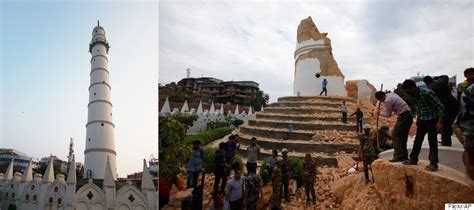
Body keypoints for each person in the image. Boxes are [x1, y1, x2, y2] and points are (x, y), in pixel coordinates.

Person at [402, 79, 444, 172]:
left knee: (432, 140)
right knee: (418, 140)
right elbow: (418, 107)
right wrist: (418, 118)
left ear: (413, 87)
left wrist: (440, 122)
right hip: (422, 119)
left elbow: (440, 106)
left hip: (432, 119)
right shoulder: (413, 95)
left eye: (407, 90)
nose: (407, 92)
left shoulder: (427, 93)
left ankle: (433, 163)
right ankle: (413, 159)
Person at [375, 91, 413, 162]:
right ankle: (404, 156)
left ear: (382, 97)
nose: (381, 101)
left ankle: (398, 156)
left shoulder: (387, 101)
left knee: (395, 135)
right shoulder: (391, 94)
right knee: (403, 136)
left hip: (403, 116)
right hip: (408, 115)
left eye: (380, 100)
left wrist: (379, 113)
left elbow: (388, 114)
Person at [424, 75, 460, 146]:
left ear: (426, 83)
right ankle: (446, 139)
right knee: (448, 125)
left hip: (445, 108)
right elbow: (445, 76)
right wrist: (436, 78)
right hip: (454, 106)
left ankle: (446, 143)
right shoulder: (441, 82)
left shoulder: (430, 89)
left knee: (445, 125)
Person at [456, 67, 474, 186]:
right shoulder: (465, 89)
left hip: (468, 126)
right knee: (469, 151)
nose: (471, 76)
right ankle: (470, 176)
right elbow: (462, 107)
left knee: (469, 151)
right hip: (469, 126)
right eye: (469, 74)